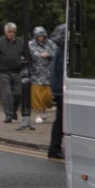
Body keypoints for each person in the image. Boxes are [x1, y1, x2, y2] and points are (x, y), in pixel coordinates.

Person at [0, 21, 30, 129]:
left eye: (13, 32)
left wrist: (24, 62)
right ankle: (8, 115)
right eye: (9, 32)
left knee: (18, 93)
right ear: (5, 32)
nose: (12, 34)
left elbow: (26, 54)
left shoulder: (20, 42)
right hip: (4, 72)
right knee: (6, 93)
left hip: (17, 71)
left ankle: (13, 111)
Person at [26, 26, 56, 130]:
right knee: (37, 96)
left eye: (42, 36)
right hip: (36, 74)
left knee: (47, 97)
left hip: (48, 74)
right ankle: (38, 115)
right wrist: (41, 54)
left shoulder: (50, 43)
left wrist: (48, 54)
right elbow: (33, 54)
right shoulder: (31, 44)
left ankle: (44, 110)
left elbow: (56, 53)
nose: (40, 38)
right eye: (38, 36)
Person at [45, 22, 67, 159]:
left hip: (58, 88)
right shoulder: (63, 52)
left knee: (61, 119)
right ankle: (54, 147)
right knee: (61, 120)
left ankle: (55, 147)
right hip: (62, 89)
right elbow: (63, 71)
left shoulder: (60, 51)